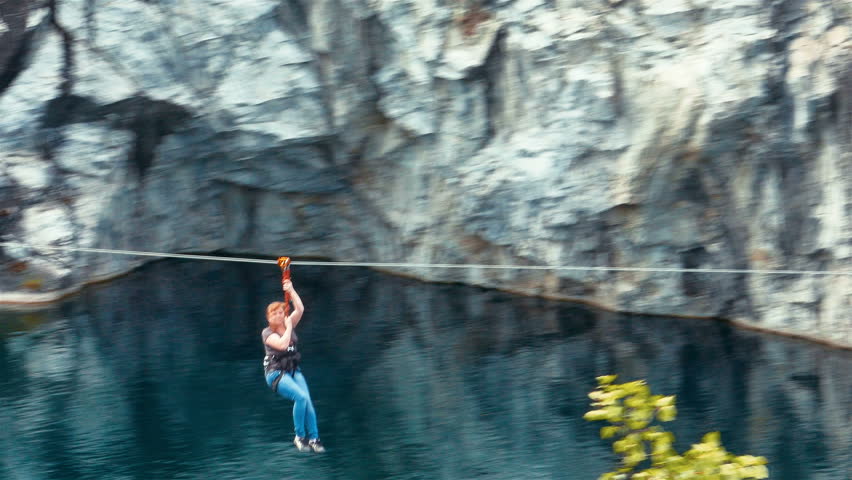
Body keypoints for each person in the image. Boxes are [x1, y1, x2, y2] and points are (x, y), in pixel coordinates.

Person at [262, 279, 325, 453]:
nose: (278, 315)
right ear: (268, 318)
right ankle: (299, 436)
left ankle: (314, 439)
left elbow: (300, 309)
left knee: (308, 402)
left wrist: (291, 289)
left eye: (280, 312)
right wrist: (289, 326)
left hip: (292, 370)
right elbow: (282, 345)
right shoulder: (267, 333)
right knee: (300, 398)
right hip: (275, 373)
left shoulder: (288, 323)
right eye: (274, 314)